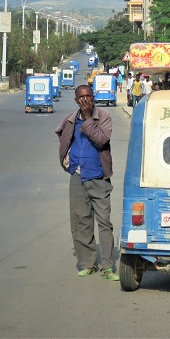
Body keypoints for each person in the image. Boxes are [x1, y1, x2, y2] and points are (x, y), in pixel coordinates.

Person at [55, 85, 119, 281]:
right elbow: (62, 135)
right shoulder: (71, 118)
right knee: (80, 222)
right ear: (76, 100)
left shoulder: (103, 117)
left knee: (104, 223)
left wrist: (88, 117)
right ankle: (87, 264)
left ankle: (107, 267)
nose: (85, 100)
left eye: (88, 97)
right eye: (81, 98)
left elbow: (101, 140)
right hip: (77, 177)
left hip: (98, 178)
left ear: (94, 98)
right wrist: (69, 162)